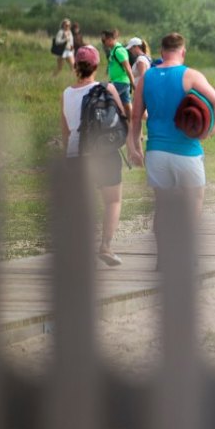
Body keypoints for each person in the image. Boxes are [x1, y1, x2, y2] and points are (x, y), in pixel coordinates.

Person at [127, 33, 215, 233]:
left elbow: (135, 117)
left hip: (156, 153)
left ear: (162, 51)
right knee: (193, 201)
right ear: (183, 52)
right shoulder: (190, 75)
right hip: (187, 151)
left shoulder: (146, 77)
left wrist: (134, 147)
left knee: (162, 207)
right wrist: (210, 129)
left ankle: (162, 260)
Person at [60, 45, 125, 266]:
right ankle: (105, 246)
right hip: (104, 153)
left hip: (76, 154)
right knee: (113, 200)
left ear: (75, 65)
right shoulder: (107, 88)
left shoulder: (66, 94)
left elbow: (66, 132)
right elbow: (121, 118)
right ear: (96, 65)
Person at [102, 29, 135, 110]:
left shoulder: (118, 50)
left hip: (120, 82)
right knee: (126, 104)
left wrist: (133, 83)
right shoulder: (113, 50)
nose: (103, 43)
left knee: (105, 98)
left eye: (104, 40)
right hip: (120, 81)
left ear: (110, 39)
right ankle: (130, 122)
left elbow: (128, 67)